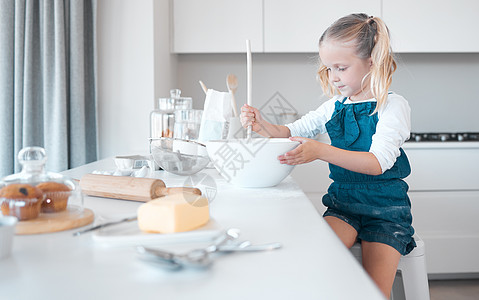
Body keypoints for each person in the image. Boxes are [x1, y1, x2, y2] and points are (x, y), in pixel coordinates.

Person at [240, 13, 415, 298]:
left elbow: (377, 163)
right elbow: (290, 131)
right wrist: (262, 125)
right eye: (329, 68)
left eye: (341, 68)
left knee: (374, 291)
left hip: (386, 213)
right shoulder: (333, 106)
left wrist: (320, 151)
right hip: (344, 206)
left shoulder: (392, 105)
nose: (333, 77)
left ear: (371, 61)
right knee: (317, 265)